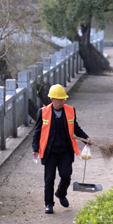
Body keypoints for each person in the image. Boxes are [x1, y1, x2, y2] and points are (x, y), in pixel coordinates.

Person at [32, 84, 91, 214]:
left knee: (66, 176)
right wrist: (35, 148)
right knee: (49, 179)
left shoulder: (70, 110)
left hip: (65, 151)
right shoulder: (42, 112)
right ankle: (49, 204)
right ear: (52, 100)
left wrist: (85, 138)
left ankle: (61, 193)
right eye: (60, 99)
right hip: (50, 152)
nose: (63, 101)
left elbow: (76, 127)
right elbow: (37, 132)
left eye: (64, 99)